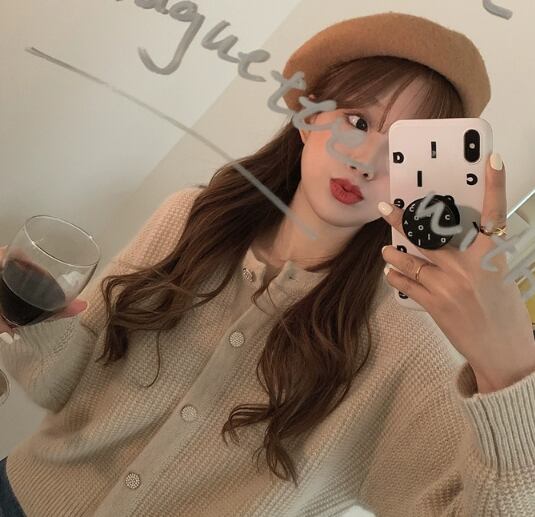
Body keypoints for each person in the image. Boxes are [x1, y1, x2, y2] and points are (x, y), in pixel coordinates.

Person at [1, 11, 533, 517]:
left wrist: (510, 369)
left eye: (400, 153)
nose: (365, 161)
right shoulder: (192, 218)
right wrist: (37, 322)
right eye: (356, 121)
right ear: (308, 119)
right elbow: (61, 388)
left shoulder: (402, 340)